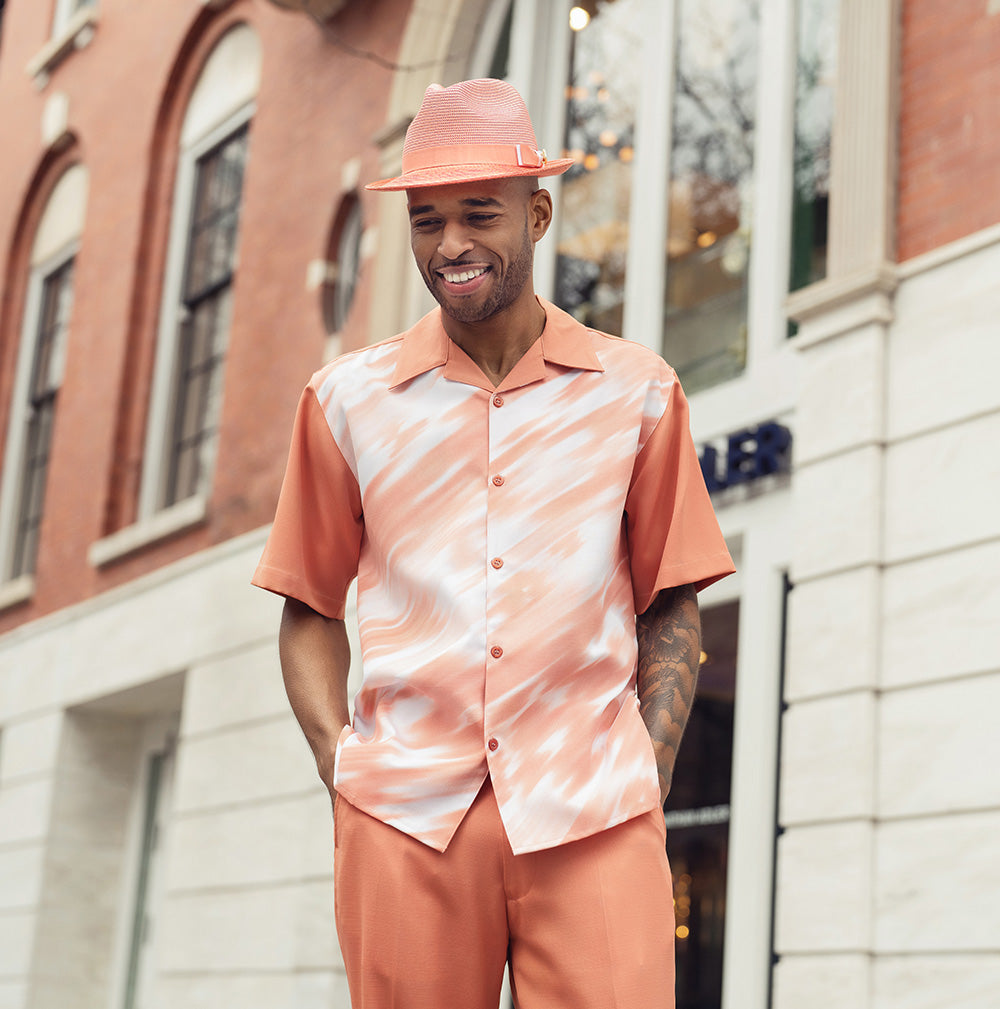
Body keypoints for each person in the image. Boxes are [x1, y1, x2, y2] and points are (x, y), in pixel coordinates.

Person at [252, 78, 734, 1009]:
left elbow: (671, 597)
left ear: (539, 212)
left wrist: (646, 763)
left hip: (592, 806)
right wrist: (343, 766)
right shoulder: (345, 401)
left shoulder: (636, 392)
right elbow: (308, 606)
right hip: (403, 816)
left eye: (480, 212)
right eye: (427, 221)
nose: (452, 244)